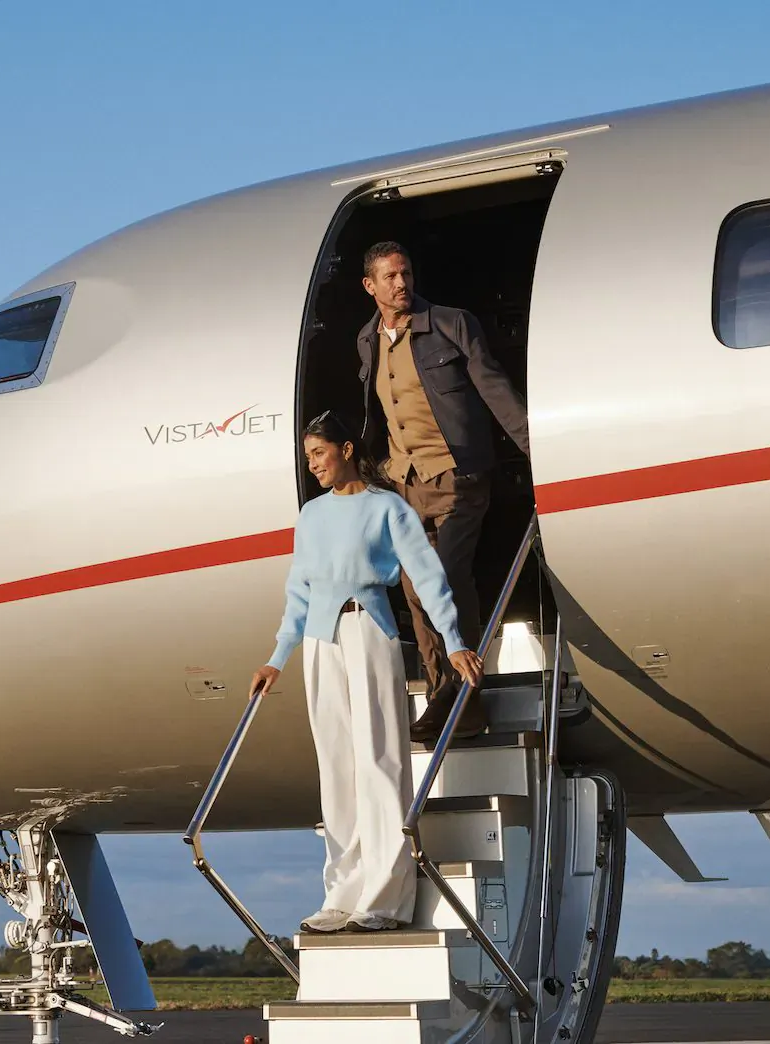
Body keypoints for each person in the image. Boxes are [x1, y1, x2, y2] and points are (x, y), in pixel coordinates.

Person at [250, 411, 482, 934]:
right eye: (308, 457)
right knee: (335, 765)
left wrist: (454, 641)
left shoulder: (387, 508)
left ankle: (384, 898)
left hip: (369, 628)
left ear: (347, 449)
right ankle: (342, 892)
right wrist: (277, 655)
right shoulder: (311, 514)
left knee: (379, 759)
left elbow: (425, 573)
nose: (313, 466)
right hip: (318, 638)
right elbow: (298, 588)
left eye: (319, 454)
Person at [356, 241, 531, 743]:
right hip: (404, 483)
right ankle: (448, 695)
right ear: (370, 286)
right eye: (389, 277)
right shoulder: (367, 340)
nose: (401, 284)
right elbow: (378, 412)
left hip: (458, 474)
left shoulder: (451, 323)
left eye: (406, 273)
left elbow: (495, 388)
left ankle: (460, 695)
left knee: (446, 579)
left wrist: (533, 449)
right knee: (414, 591)